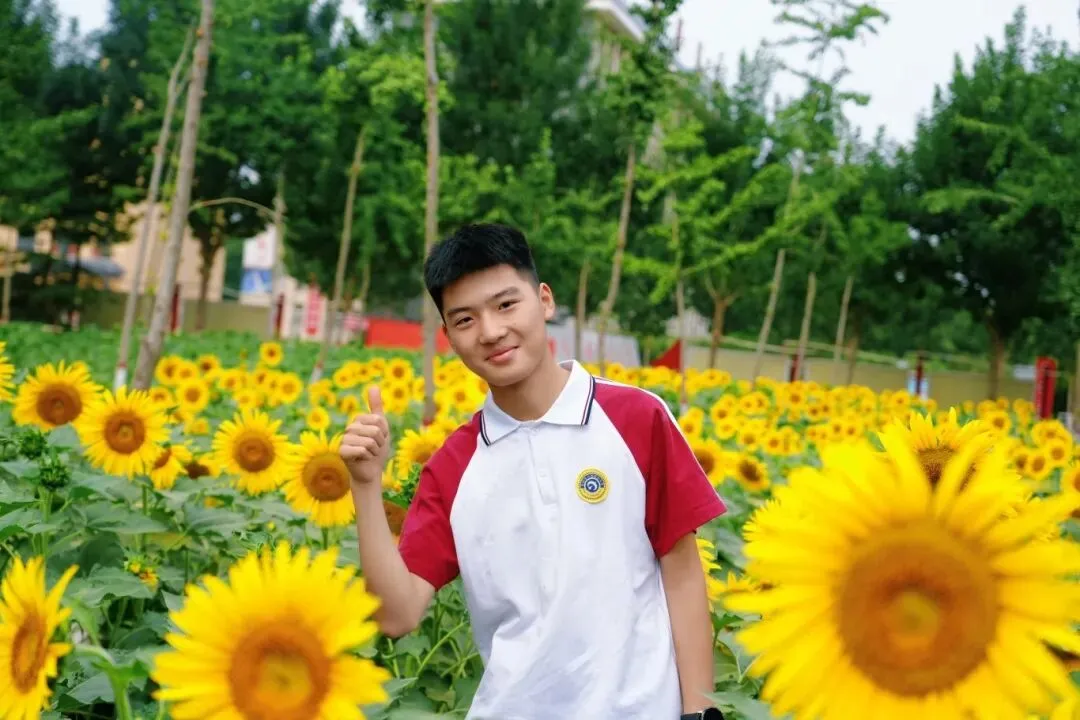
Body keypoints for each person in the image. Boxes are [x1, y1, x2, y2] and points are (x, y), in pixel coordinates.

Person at [341, 223, 727, 720]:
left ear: (544, 300)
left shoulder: (636, 418)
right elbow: (397, 615)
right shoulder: (453, 467)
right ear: (449, 337)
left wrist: (700, 712)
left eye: (506, 305)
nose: (491, 331)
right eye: (465, 319)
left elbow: (683, 573)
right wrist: (365, 485)